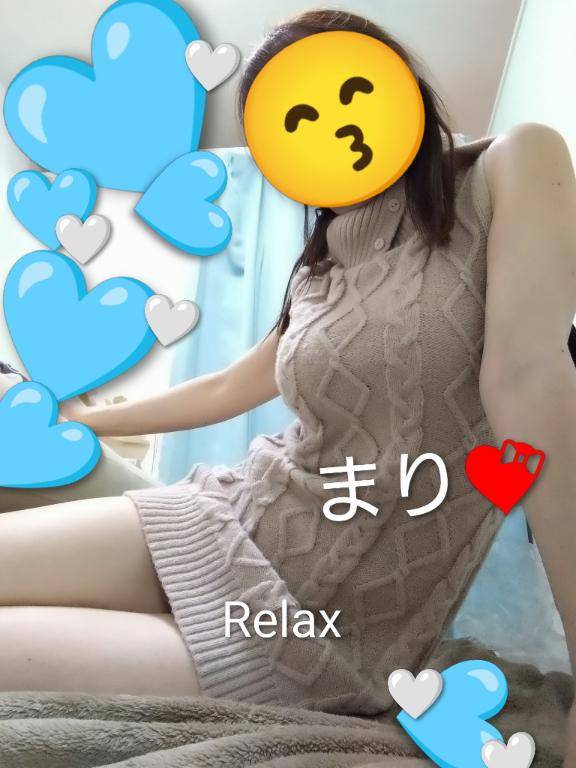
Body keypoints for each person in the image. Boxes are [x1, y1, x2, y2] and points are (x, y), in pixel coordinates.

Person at [1, 7, 575, 760]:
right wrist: (78, 420)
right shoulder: (321, 264)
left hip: (313, 624)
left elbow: (529, 380)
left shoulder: (512, 166)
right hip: (222, 514)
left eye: (352, 92)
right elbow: (227, 387)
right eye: (297, 119)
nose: (333, 127)